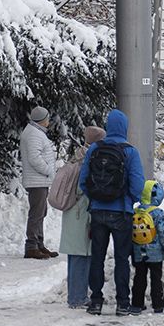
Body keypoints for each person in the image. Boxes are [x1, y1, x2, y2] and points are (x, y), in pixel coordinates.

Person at [80, 108, 145, 315]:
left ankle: (96, 301)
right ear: (125, 128)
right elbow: (137, 185)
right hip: (122, 212)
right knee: (121, 259)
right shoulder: (130, 151)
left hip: (98, 211)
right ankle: (122, 303)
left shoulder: (95, 148)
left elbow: (83, 180)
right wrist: (130, 200)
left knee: (97, 257)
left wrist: (96, 197)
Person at [59, 126, 106, 309]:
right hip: (80, 212)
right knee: (81, 255)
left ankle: (75, 295)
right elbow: (84, 189)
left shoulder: (77, 156)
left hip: (72, 212)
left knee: (75, 256)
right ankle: (77, 298)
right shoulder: (87, 159)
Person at [128, 180, 164, 314]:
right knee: (156, 278)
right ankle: (158, 304)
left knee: (139, 277)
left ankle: (137, 304)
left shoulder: (136, 211)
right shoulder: (158, 213)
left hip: (138, 252)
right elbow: (162, 232)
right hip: (155, 254)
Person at [18, 106, 58, 259]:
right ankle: (32, 246)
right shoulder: (34, 134)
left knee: (41, 212)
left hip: (39, 180)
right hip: (37, 180)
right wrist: (49, 170)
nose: (49, 121)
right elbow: (34, 158)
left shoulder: (35, 132)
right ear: (43, 119)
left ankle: (39, 244)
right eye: (47, 118)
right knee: (36, 213)